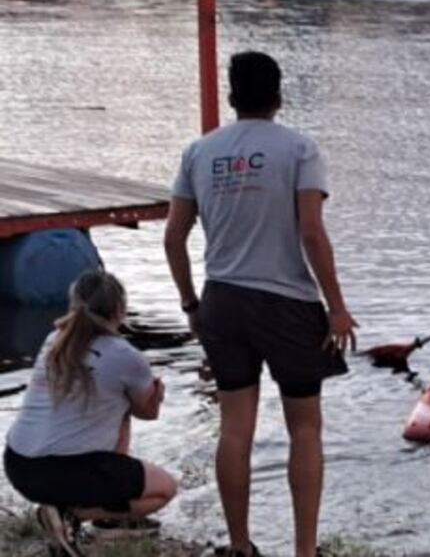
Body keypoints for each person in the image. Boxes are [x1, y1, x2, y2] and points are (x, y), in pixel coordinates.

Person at [164, 50, 358, 557]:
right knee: (306, 428)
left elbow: (173, 238)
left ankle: (240, 545)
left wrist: (190, 305)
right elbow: (312, 234)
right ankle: (305, 551)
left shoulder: (199, 152)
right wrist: (336, 306)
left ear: (231, 96)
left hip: (222, 300)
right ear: (279, 95)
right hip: (287, 303)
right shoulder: (299, 150)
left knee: (234, 428)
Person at [3, 270, 178, 557]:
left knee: (116, 406)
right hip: (64, 472)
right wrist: (155, 395)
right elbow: (148, 414)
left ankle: (105, 515)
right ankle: (73, 516)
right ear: (120, 309)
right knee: (165, 488)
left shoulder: (54, 341)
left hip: (19, 464)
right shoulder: (125, 355)